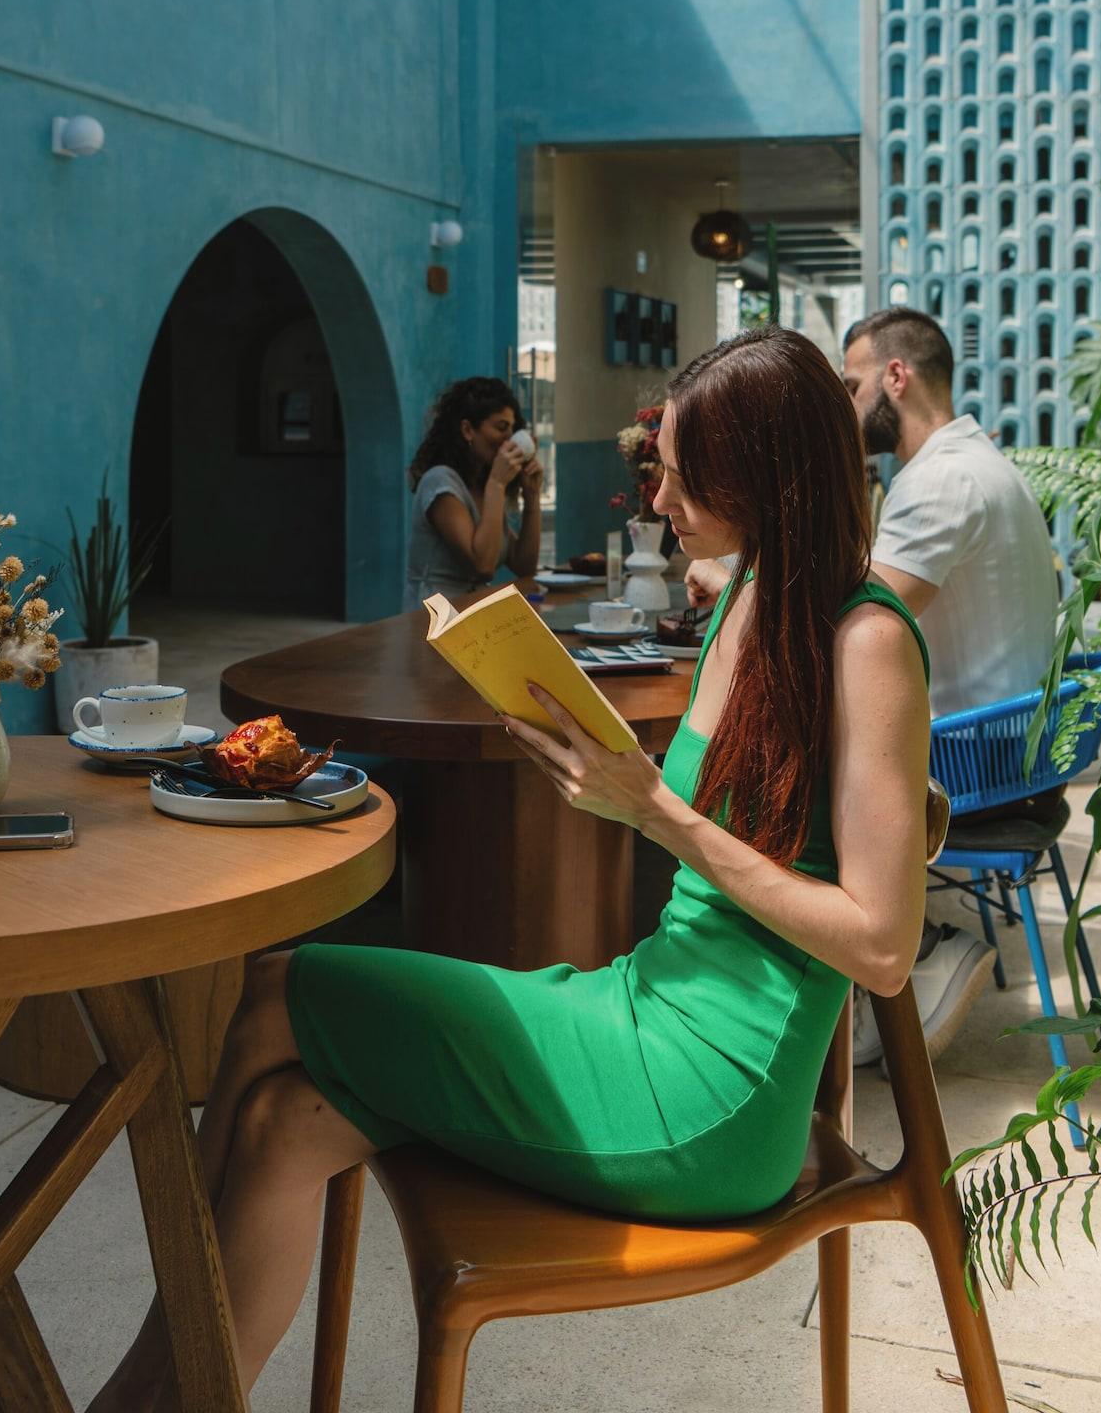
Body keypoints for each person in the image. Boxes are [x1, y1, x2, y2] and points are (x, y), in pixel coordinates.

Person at [92, 326, 932, 1405]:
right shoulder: (749, 591)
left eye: (679, 477)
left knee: (283, 985)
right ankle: (157, 1393)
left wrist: (657, 812)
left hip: (711, 1093)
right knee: (277, 1122)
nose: (657, 499)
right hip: (642, 1003)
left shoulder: (866, 640)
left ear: (760, 476)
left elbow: (883, 944)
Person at [689, 307, 1058, 1065]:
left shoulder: (940, 483)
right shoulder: (980, 460)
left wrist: (733, 578)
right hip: (1015, 736)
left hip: (969, 754)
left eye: (852, 383)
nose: (847, 404)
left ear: (896, 377)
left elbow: (836, 621)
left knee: (766, 771)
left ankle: (907, 953)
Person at [402, 375, 543, 610]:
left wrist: (532, 497)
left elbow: (524, 566)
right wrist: (497, 484)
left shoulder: (481, 486)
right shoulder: (440, 482)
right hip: (434, 620)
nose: (509, 440)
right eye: (501, 428)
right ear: (468, 430)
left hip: (474, 616)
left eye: (512, 429)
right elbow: (482, 565)